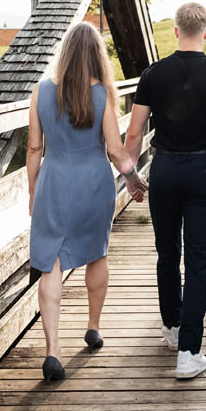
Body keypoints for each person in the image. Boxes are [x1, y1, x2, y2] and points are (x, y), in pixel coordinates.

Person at [26, 21, 146, 382]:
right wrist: (133, 177)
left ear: (65, 53)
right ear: (97, 56)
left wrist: (33, 193)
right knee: (97, 253)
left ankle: (52, 350)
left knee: (51, 262)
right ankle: (93, 327)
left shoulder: (41, 91)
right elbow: (115, 149)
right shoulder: (101, 96)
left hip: (53, 182)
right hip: (93, 185)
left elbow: (34, 148)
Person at [123, 2, 206, 379]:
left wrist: (130, 175)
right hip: (203, 169)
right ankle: (189, 351)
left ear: (175, 31)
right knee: (199, 260)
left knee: (167, 252)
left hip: (166, 168)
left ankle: (171, 328)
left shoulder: (154, 74)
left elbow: (135, 133)